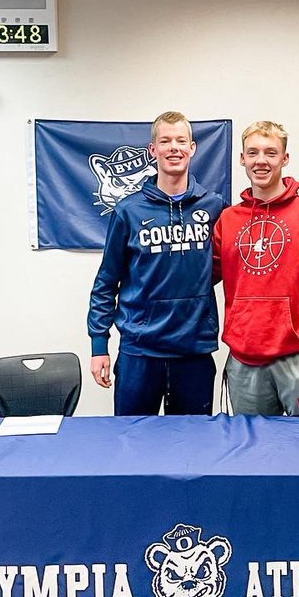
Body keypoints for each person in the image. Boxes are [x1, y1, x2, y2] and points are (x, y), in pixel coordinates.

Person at [87, 112, 226, 415]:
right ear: (153, 150)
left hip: (194, 351)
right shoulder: (128, 211)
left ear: (193, 148)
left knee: (192, 448)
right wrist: (99, 345)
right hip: (140, 351)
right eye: (165, 141)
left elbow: (256, 221)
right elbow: (106, 282)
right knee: (133, 447)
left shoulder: (215, 208)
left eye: (180, 141)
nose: (173, 148)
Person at [213, 121, 299, 416]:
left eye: (270, 153)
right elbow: (200, 277)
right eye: (252, 153)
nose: (260, 161)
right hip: (244, 361)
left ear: (285, 159)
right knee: (251, 452)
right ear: (242, 159)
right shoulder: (228, 219)